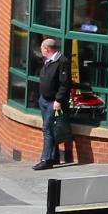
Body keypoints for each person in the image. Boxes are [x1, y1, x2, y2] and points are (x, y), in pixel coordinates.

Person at [35, 37, 73, 170]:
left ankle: (46, 160)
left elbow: (65, 84)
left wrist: (58, 100)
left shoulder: (62, 62)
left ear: (47, 49)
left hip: (53, 102)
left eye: (42, 49)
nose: (41, 51)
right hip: (43, 100)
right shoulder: (47, 61)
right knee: (50, 129)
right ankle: (54, 156)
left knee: (47, 129)